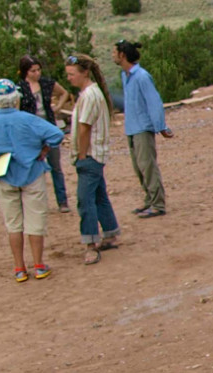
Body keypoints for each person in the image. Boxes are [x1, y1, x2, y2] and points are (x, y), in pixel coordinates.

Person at [0, 78, 66, 282]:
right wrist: (43, 149)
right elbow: (55, 134)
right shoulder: (28, 119)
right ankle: (39, 265)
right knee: (35, 221)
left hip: (4, 173)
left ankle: (19, 268)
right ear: (15, 98)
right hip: (31, 171)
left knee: (13, 224)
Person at [64, 55, 120, 265]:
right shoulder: (93, 93)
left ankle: (91, 243)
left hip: (90, 155)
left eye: (72, 74)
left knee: (85, 200)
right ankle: (110, 232)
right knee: (99, 195)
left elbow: (84, 128)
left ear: (84, 72)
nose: (69, 78)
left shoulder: (89, 96)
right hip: (96, 154)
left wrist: (81, 154)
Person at [113, 40, 171, 217]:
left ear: (122, 55)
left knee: (148, 166)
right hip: (131, 127)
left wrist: (161, 126)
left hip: (142, 127)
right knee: (138, 167)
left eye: (114, 52)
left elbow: (154, 102)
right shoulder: (126, 76)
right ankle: (149, 200)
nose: (112, 55)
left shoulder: (141, 76)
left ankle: (158, 204)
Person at [17, 56, 73, 213]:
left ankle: (62, 201)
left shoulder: (47, 83)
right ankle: (36, 201)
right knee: (33, 167)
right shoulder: (20, 88)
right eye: (32, 71)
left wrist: (58, 107)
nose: (37, 73)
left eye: (38, 70)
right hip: (31, 131)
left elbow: (64, 92)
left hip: (48, 126)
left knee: (56, 165)